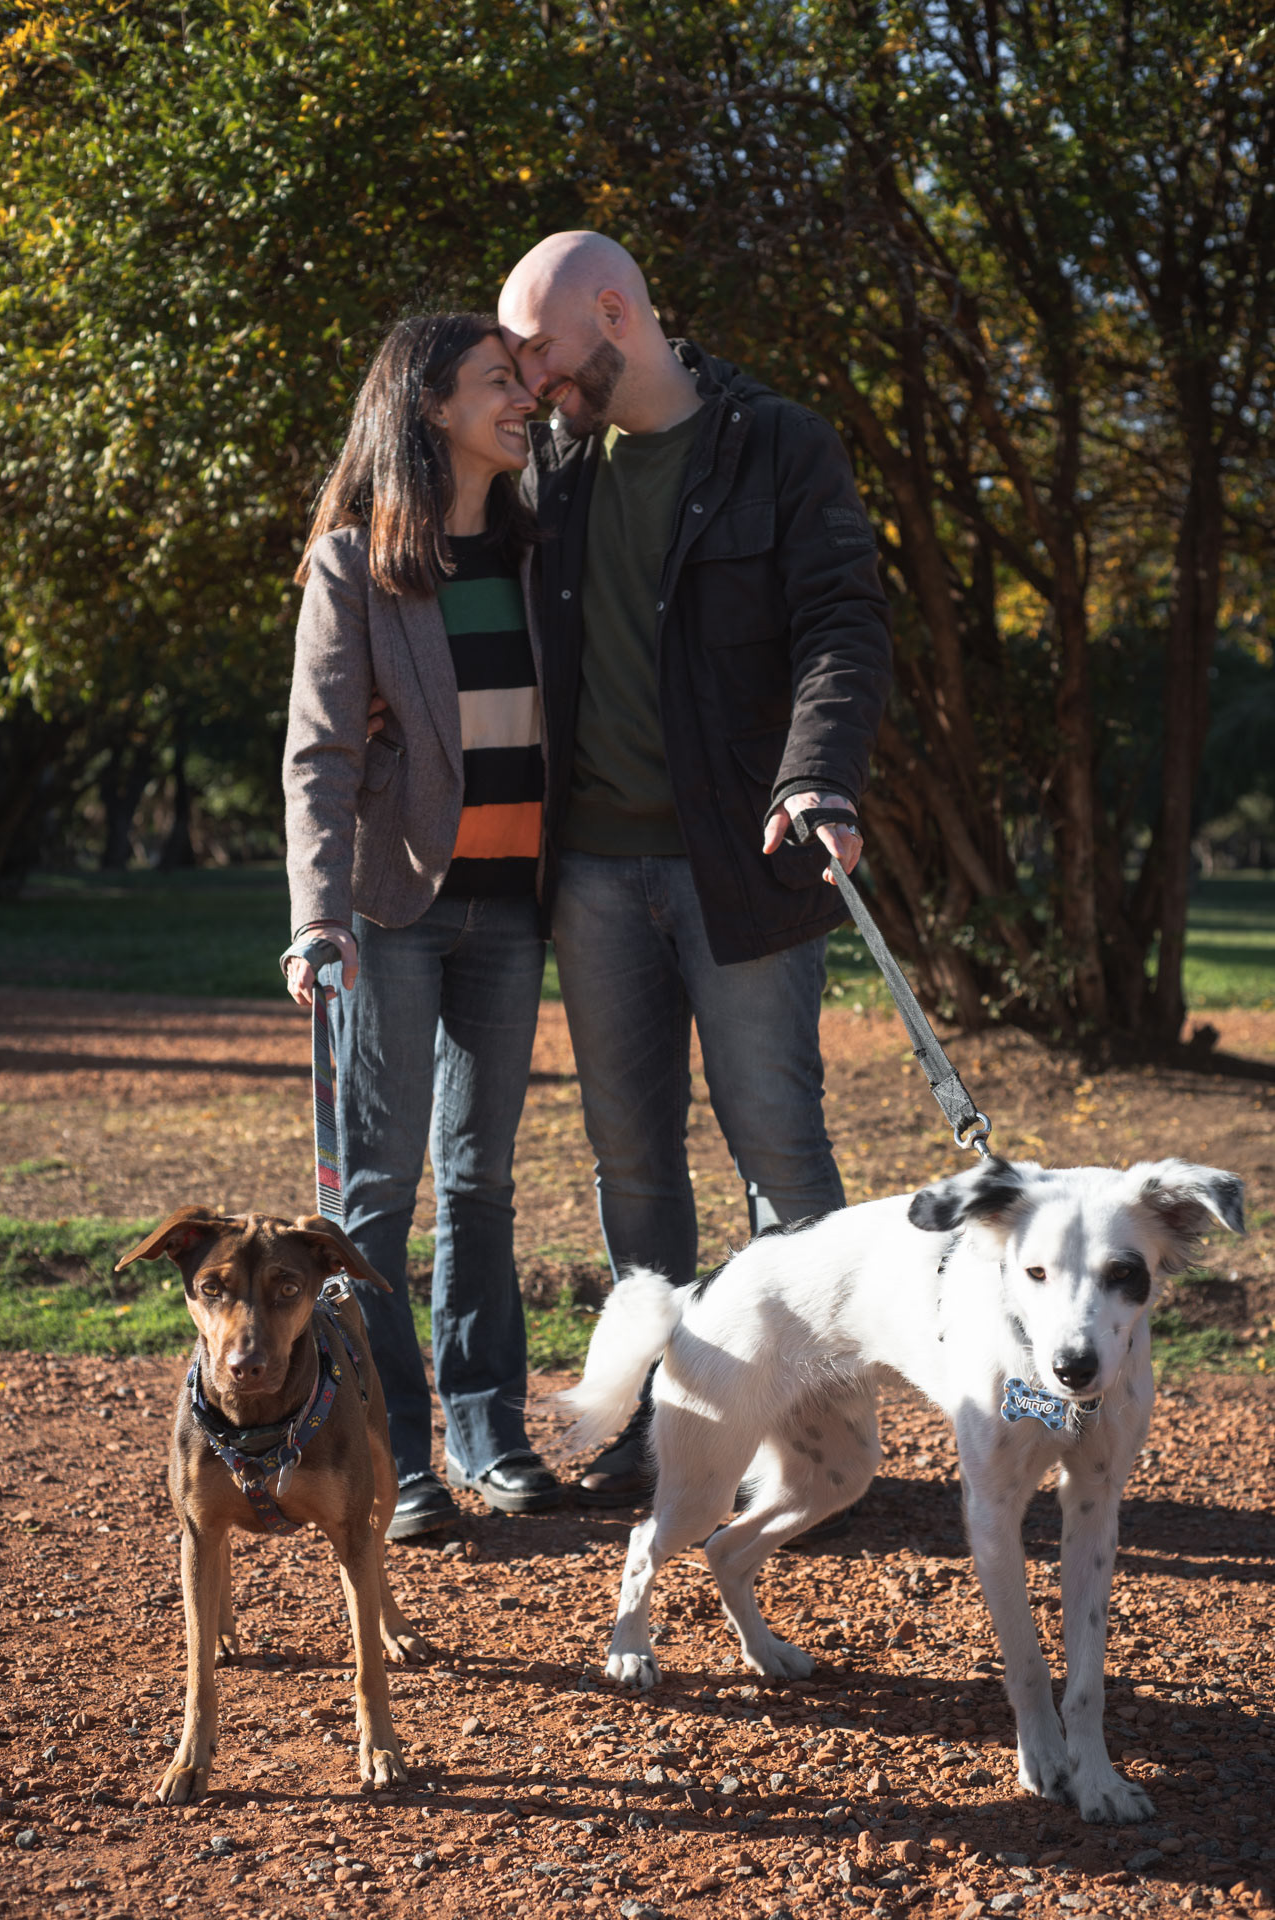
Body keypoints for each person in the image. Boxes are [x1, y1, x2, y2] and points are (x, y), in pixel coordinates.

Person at [498, 233, 893, 1507]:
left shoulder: (775, 443)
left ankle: (814, 1447)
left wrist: (818, 771)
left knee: (782, 1153)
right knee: (632, 1165)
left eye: (546, 355)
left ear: (614, 313)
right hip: (594, 875)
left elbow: (842, 620)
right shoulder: (549, 464)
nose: (532, 385)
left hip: (746, 860)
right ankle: (660, 1433)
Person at [281, 312, 562, 1537]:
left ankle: (489, 1431)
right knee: (379, 1193)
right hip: (393, 915)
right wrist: (315, 919)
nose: (524, 403)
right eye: (499, 384)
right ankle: (394, 1452)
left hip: (514, 913)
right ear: (429, 405)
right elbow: (320, 756)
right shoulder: (356, 565)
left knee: (481, 1179)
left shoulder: (540, 548)